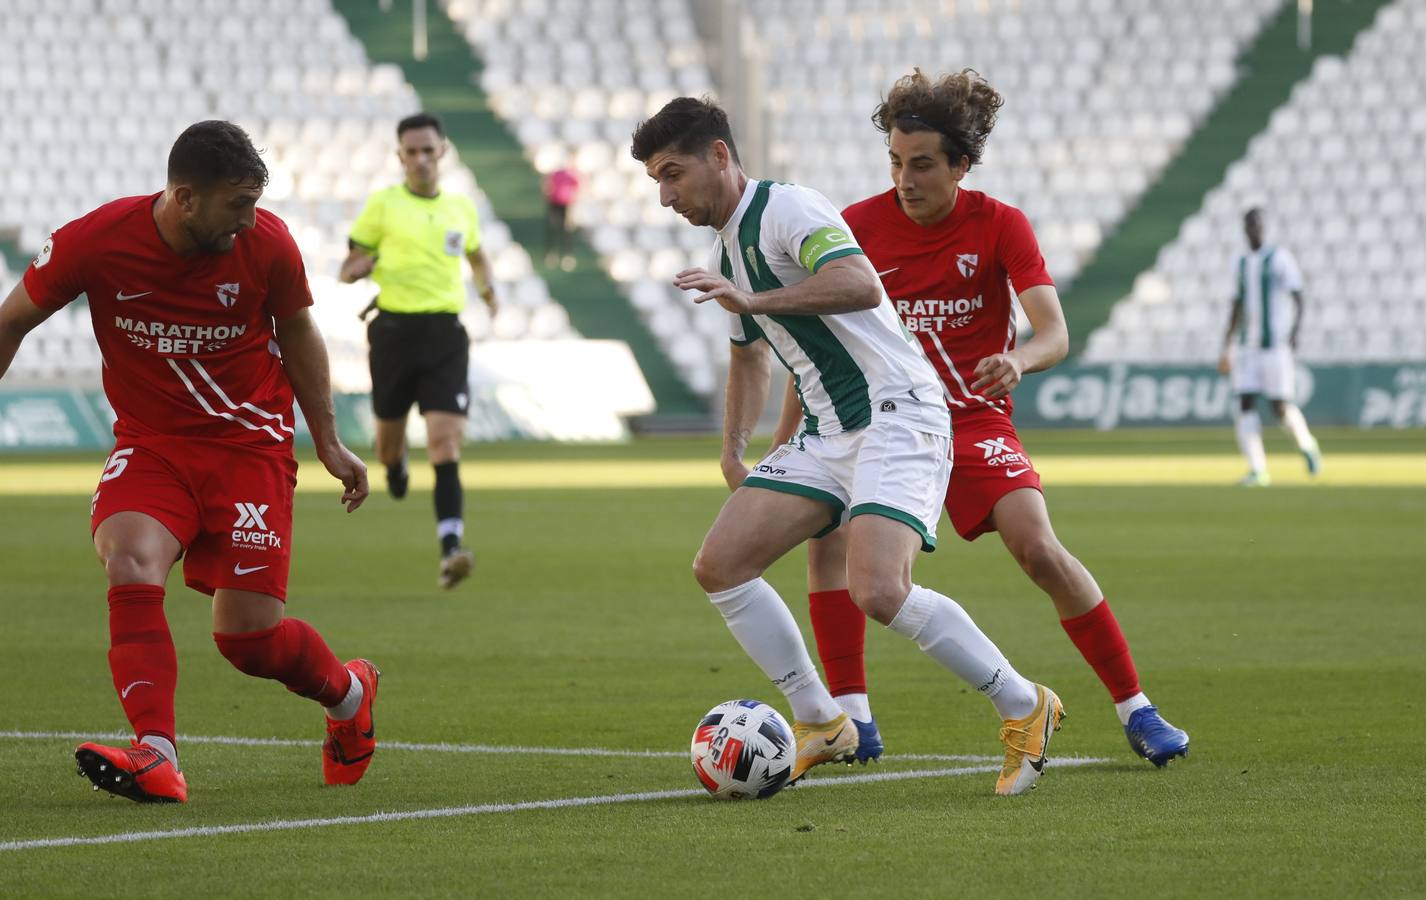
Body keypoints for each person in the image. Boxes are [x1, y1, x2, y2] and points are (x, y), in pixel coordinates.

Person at [633, 96, 1065, 796]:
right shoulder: (726, 249)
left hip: (900, 409)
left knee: (879, 590)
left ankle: (1025, 704)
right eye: (657, 180)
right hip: (829, 430)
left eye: (672, 174)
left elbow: (860, 285)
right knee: (721, 565)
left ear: (719, 155)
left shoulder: (788, 209)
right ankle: (820, 721)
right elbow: (750, 357)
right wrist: (733, 449)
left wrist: (756, 302)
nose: (666, 196)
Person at [773, 69, 1189, 769]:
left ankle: (1136, 707)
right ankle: (854, 719)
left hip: (973, 422)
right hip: (880, 420)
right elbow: (818, 349)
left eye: (924, 164)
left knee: (1038, 548)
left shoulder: (1000, 225)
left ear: (961, 164)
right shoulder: (856, 229)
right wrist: (787, 445)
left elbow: (1054, 331)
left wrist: (1021, 362)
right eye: (897, 164)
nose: (906, 180)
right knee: (828, 539)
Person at [0, 121, 379, 804]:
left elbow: (298, 331)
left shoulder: (267, 246)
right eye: (236, 204)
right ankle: (158, 752)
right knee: (128, 557)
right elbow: (11, 321)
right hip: (153, 445)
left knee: (248, 641)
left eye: (254, 203)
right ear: (184, 198)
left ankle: (351, 695)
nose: (249, 219)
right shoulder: (96, 240)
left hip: (249, 449)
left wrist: (326, 439)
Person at [339, 112, 498, 589]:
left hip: (445, 334)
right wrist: (358, 267)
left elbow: (475, 253)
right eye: (412, 152)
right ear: (400, 156)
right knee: (388, 445)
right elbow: (348, 263)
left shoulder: (460, 208)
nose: (422, 159)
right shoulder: (383, 205)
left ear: (442, 151)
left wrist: (489, 291)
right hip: (392, 334)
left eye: (429, 150)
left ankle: (451, 549)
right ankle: (395, 466)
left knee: (445, 441)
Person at [1218, 208, 1321, 486]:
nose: (1255, 230)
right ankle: (1258, 469)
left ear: (1264, 228)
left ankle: (1307, 444)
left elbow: (1298, 296)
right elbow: (1236, 305)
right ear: (1245, 229)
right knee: (1244, 403)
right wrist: (1226, 345)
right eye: (1251, 225)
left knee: (1279, 407)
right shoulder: (1239, 263)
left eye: (1259, 225)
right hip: (1247, 348)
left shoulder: (1279, 259)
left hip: (1275, 346)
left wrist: (1295, 331)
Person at [543, 162, 580, 270]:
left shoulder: (571, 175)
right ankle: (551, 254)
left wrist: (573, 201)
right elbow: (546, 184)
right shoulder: (556, 173)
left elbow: (578, 187)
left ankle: (567, 255)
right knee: (552, 228)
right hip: (554, 203)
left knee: (566, 230)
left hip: (566, 204)